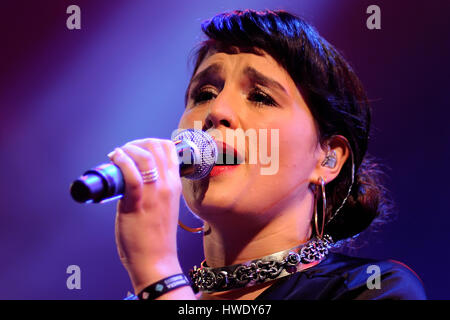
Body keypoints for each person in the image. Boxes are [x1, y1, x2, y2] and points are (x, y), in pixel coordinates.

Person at [107, 9, 426, 300]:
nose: (217, 111)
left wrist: (158, 277)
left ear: (328, 158)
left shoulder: (372, 289)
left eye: (260, 97)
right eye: (204, 94)